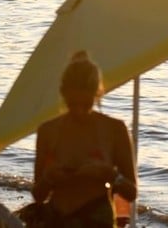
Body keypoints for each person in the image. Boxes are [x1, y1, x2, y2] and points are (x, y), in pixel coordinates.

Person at [31, 51, 137, 228]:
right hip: (57, 218)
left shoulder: (114, 130)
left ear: (97, 94)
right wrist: (49, 178)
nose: (79, 111)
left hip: (96, 218)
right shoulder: (48, 131)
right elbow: (38, 194)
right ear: (63, 94)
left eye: (86, 104)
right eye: (73, 104)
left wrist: (110, 175)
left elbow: (131, 192)